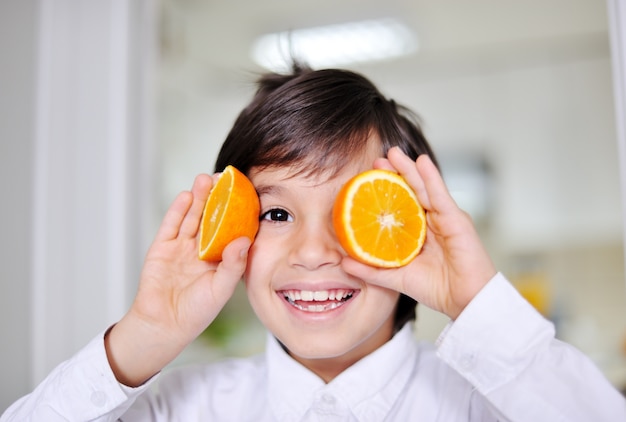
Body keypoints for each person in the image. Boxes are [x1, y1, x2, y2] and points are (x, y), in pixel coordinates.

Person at [3, 64, 625, 421]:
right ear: (234, 232)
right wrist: (141, 336)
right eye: (276, 213)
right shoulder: (186, 407)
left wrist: (480, 306)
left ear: (407, 229)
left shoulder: (495, 404)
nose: (313, 251)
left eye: (355, 212)